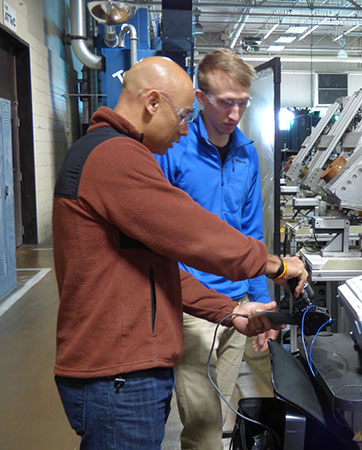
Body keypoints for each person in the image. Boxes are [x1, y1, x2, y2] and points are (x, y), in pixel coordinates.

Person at [52, 56, 308, 450]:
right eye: (185, 113)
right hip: (117, 370)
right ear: (153, 102)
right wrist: (275, 265)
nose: (185, 127)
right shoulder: (115, 157)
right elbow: (192, 234)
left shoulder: (117, 153)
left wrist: (230, 309)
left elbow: (154, 270)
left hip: (132, 362)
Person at [155, 49, 276, 450]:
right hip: (191, 307)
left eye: (242, 102)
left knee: (222, 413)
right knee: (203, 428)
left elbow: (251, 233)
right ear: (200, 97)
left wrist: (260, 303)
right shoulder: (174, 150)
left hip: (239, 302)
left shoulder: (246, 153)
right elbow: (160, 234)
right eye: (226, 102)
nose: (235, 113)